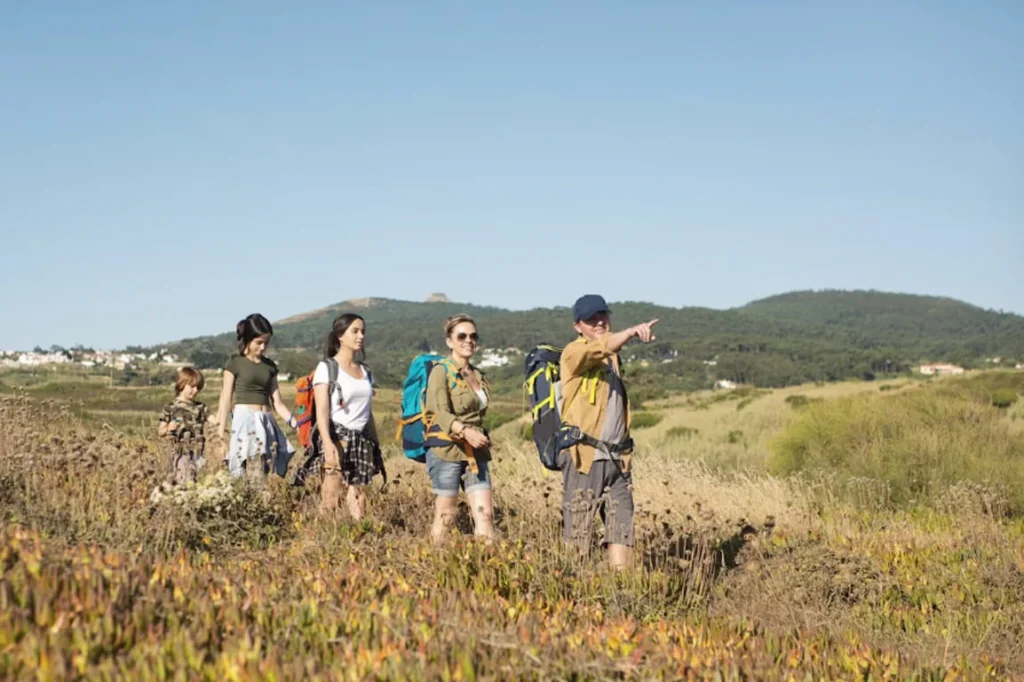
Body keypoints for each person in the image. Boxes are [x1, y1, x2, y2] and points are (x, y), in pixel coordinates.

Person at [558, 294, 658, 569]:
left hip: (617, 461)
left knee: (622, 531)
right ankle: (568, 592)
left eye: (603, 316)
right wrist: (630, 333)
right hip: (585, 458)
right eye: (591, 319)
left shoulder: (612, 359)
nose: (600, 322)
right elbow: (599, 348)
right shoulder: (573, 352)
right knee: (578, 534)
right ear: (578, 326)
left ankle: (621, 592)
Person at [423, 314, 496, 542]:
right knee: (447, 515)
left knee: (486, 515)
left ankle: (489, 568)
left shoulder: (478, 375)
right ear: (449, 341)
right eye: (461, 336)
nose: (468, 340)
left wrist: (477, 436)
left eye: (473, 336)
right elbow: (439, 411)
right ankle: (434, 565)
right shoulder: (441, 371)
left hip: (476, 451)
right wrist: (465, 431)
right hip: (447, 450)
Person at [310, 313, 384, 519]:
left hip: (362, 439)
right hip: (338, 437)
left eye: (363, 331)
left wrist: (376, 443)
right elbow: (322, 409)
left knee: (359, 497)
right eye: (355, 331)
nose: (360, 336)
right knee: (331, 497)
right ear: (340, 336)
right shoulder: (327, 368)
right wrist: (327, 442)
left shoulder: (365, 371)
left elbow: (367, 411)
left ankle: (358, 537)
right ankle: (323, 538)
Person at [215, 313, 297, 479]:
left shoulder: (270, 366)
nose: (263, 347)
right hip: (245, 419)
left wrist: (296, 423)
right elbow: (225, 400)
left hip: (266, 420)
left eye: (266, 343)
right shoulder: (235, 363)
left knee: (265, 469)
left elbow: (278, 403)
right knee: (250, 469)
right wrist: (220, 434)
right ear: (247, 339)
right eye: (259, 342)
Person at [157, 366, 208, 485]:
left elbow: (215, 421)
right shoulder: (170, 407)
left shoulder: (200, 407)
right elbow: (160, 431)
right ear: (181, 384)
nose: (195, 390)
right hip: (179, 454)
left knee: (196, 484)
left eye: (198, 388)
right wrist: (169, 427)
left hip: (198, 453)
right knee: (182, 484)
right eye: (192, 386)